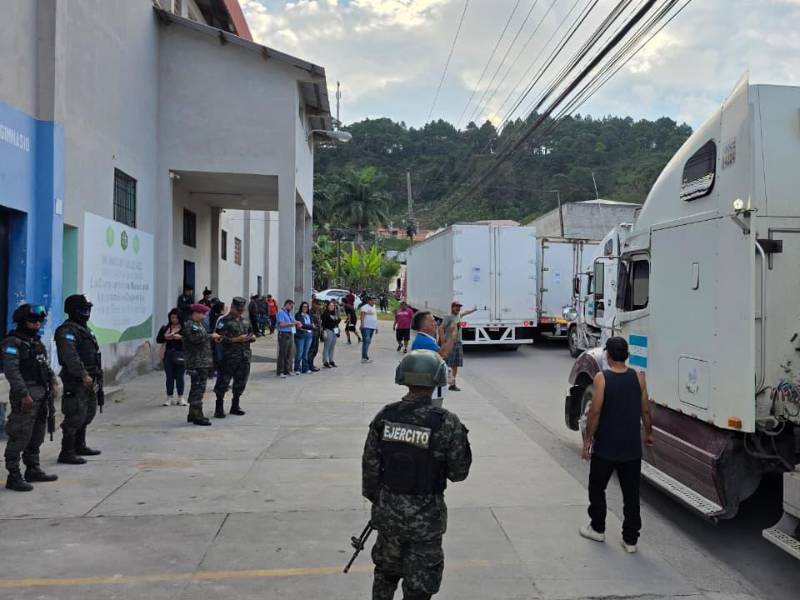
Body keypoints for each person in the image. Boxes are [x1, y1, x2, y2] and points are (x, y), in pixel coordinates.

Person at [362, 350, 472, 599]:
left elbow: (369, 471)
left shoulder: (385, 416)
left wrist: (383, 505)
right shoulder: (446, 423)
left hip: (388, 518)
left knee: (385, 576)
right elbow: (459, 473)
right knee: (420, 587)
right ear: (437, 379)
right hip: (426, 522)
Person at [580, 336, 654, 554]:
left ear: (609, 356)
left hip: (606, 447)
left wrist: (587, 440)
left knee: (597, 487)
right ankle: (630, 540)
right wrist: (649, 434)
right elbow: (645, 410)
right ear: (626, 355)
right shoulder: (639, 378)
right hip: (631, 449)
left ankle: (597, 528)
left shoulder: (602, 378)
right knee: (631, 494)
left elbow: (595, 412)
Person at [2, 304, 60, 491]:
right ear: (22, 321)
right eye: (32, 321)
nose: (37, 324)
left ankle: (33, 469)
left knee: (36, 435)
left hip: (42, 394)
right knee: (20, 435)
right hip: (26, 395)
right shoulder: (13, 343)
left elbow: (44, 365)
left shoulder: (36, 342)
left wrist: (53, 381)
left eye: (39, 321)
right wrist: (23, 394)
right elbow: (12, 371)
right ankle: (13, 475)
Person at [55, 294, 103, 465]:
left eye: (88, 310)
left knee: (87, 412)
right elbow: (70, 356)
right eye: (83, 310)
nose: (87, 313)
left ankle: (79, 445)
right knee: (75, 414)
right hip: (76, 379)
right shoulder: (66, 331)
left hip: (90, 377)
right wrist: (83, 374)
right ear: (73, 311)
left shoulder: (84, 329)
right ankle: (67, 452)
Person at [213, 297, 256, 418]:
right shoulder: (223, 321)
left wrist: (251, 338)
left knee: (241, 381)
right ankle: (219, 408)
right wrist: (235, 339)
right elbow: (217, 338)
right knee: (223, 382)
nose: (240, 312)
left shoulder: (245, 320)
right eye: (238, 310)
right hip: (228, 357)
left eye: (242, 310)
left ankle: (235, 406)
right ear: (232, 307)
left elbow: (251, 332)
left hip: (244, 356)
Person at [182, 303, 220, 426]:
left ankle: (192, 414)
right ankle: (198, 416)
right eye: (202, 314)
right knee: (198, 389)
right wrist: (210, 336)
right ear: (195, 313)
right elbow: (195, 339)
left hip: (201, 362)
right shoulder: (191, 325)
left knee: (197, 388)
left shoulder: (197, 324)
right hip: (197, 362)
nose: (204, 316)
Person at [439, 301, 477, 392]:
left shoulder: (458, 316)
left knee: (455, 364)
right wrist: (443, 341)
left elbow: (465, 312)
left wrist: (473, 310)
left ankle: (452, 384)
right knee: (446, 364)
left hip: (458, 343)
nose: (458, 308)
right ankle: (441, 382)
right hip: (450, 343)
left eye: (459, 307)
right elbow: (441, 328)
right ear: (452, 307)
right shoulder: (448, 317)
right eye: (456, 306)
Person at [156, 309, 186, 407]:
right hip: (168, 354)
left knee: (180, 376)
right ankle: (169, 397)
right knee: (169, 377)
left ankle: (180, 397)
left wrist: (181, 338)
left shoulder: (184, 328)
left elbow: (190, 339)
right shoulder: (165, 328)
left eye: (176, 318)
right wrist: (166, 337)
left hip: (180, 354)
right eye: (172, 317)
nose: (174, 320)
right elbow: (158, 340)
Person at [276, 299, 301, 378]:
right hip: (283, 334)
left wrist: (297, 322)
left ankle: (287, 370)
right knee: (282, 353)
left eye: (292, 307)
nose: (291, 308)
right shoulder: (281, 312)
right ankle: (280, 371)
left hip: (290, 334)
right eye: (291, 306)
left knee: (289, 353)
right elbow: (281, 324)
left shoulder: (289, 313)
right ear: (287, 304)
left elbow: (293, 320)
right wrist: (292, 324)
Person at [293, 301, 314, 374]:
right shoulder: (298, 315)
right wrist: (310, 326)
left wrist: (308, 326)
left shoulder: (309, 315)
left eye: (307, 307)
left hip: (309, 335)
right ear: (301, 307)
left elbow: (312, 325)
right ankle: (297, 369)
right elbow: (301, 325)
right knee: (299, 353)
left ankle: (305, 368)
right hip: (300, 336)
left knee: (305, 353)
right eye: (304, 306)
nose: (305, 308)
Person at [321, 300, 341, 368]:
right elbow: (323, 324)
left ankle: (331, 360)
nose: (332, 307)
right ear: (327, 306)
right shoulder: (325, 314)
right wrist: (324, 331)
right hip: (328, 330)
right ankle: (325, 361)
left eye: (333, 306)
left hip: (335, 331)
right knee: (327, 347)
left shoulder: (335, 314)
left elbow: (337, 322)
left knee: (332, 347)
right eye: (330, 305)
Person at [359, 296, 379, 364]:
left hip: (372, 327)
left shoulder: (374, 307)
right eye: (372, 300)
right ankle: (364, 358)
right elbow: (362, 316)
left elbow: (375, 317)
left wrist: (376, 327)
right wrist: (362, 324)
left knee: (368, 342)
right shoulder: (365, 307)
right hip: (366, 327)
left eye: (374, 300)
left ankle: (365, 356)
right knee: (366, 342)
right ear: (368, 301)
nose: (374, 301)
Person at [306, 300, 323, 372]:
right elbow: (311, 323)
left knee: (315, 350)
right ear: (313, 304)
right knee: (311, 350)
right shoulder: (310, 312)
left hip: (317, 334)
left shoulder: (318, 312)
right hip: (313, 333)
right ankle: (309, 366)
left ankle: (311, 364)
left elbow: (319, 322)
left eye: (319, 305)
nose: (319, 306)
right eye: (318, 304)